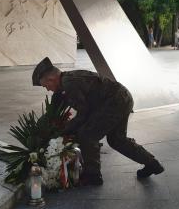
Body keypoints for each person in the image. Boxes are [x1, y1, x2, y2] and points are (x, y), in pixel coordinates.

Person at [32, 58, 164, 185]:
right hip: (122, 98)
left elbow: (83, 115)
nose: (47, 89)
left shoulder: (70, 83)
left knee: (87, 134)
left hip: (115, 102)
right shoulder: (64, 83)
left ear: (52, 78)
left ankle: (93, 176)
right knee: (117, 140)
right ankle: (152, 165)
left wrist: (63, 131)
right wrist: (39, 128)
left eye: (46, 86)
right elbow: (54, 110)